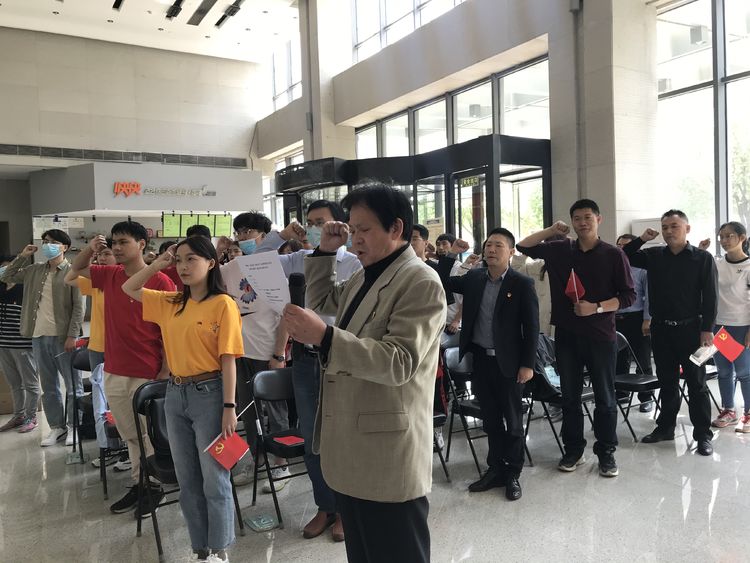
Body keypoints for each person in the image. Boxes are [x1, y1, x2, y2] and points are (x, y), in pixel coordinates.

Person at [283, 184, 445, 563]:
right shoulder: (363, 275)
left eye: (365, 229)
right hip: (353, 450)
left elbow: (399, 361)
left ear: (396, 227)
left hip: (388, 454)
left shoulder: (419, 281)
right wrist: (326, 251)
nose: (355, 239)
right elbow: (321, 300)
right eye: (352, 229)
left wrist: (325, 338)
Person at [123, 236, 243, 563]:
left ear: (211, 263)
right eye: (180, 260)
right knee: (187, 479)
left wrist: (229, 407)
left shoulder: (223, 304)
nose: (184, 266)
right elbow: (129, 288)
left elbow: (229, 359)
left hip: (211, 394)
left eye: (192, 259)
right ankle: (201, 550)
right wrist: (158, 264)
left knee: (214, 477)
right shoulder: (172, 302)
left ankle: (220, 550)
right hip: (175, 395)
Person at [255, 200, 360, 542]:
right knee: (312, 436)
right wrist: (280, 235)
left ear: (340, 226)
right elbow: (254, 263)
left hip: (339, 357)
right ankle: (325, 506)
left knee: (341, 436)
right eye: (310, 222)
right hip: (304, 358)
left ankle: (346, 509)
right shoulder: (297, 258)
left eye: (321, 222)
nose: (315, 228)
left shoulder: (354, 262)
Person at [517, 199, 635, 477]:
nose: (582, 223)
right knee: (569, 397)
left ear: (598, 219)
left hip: (601, 336)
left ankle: (606, 452)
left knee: (605, 397)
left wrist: (597, 307)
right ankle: (573, 450)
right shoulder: (560, 249)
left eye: (587, 217)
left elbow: (629, 295)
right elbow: (523, 246)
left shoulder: (613, 254)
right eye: (577, 218)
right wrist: (551, 230)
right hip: (567, 336)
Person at [69, 221, 175, 515]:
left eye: (123, 242)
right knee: (129, 433)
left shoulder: (161, 281)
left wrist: (165, 370)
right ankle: (140, 483)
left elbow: (169, 330)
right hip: (114, 368)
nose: (116, 248)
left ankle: (154, 487)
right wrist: (90, 248)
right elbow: (76, 269)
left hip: (147, 370)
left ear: (141, 244)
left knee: (148, 435)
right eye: (113, 242)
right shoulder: (110, 274)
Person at [447, 229, 539, 501]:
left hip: (510, 364)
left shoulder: (521, 283)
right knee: (490, 420)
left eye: (498, 245)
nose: (491, 249)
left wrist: (527, 364)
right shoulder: (475, 278)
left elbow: (531, 328)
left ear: (511, 251)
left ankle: (513, 473)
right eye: (488, 245)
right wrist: (454, 256)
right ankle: (495, 469)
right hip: (481, 361)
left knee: (513, 422)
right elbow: (445, 281)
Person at [623, 210, 717, 456]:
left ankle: (703, 435)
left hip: (692, 331)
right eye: (665, 227)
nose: (668, 231)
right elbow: (623, 255)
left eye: (674, 226)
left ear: (687, 228)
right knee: (667, 382)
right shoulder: (653, 255)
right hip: (662, 329)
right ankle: (665, 427)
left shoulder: (702, 258)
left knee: (697, 384)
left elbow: (710, 296)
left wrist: (707, 329)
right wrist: (642, 238)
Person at [0, 230, 85, 447]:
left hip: (63, 337)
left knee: (73, 385)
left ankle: (74, 426)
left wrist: (72, 335)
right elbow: (6, 276)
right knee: (49, 386)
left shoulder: (73, 272)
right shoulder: (34, 270)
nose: (48, 245)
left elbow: (79, 307)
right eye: (45, 242)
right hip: (38, 336)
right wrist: (22, 256)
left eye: (54, 242)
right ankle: (57, 427)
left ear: (65, 247)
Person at [226, 212, 291, 489]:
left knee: (275, 411)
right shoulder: (231, 267)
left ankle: (282, 462)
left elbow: (287, 314)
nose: (243, 237)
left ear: (265, 236)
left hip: (267, 351)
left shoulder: (276, 268)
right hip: (240, 352)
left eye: (249, 232)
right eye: (239, 232)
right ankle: (257, 458)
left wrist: (279, 353)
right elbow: (206, 279)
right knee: (248, 411)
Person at [67, 239, 122, 458]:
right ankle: (108, 446)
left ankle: (126, 447)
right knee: (102, 400)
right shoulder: (98, 281)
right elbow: (70, 277)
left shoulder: (127, 280)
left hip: (122, 348)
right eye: (100, 255)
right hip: (98, 347)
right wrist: (89, 251)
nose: (102, 258)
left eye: (107, 254)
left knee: (120, 399)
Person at [710, 222, 750, 433]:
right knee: (724, 371)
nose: (724, 241)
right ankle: (729, 411)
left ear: (742, 238)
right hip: (720, 326)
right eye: (722, 237)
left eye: (729, 236)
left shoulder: (748, 266)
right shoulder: (716, 264)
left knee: (744, 372)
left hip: (742, 326)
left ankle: (748, 414)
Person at [614, 233, 654, 412]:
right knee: (619, 359)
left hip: (637, 318)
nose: (622, 249)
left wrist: (647, 319)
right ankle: (621, 393)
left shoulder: (642, 269)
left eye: (626, 245)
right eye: (619, 245)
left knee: (642, 359)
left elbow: (649, 297)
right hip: (615, 318)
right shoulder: (612, 267)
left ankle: (646, 397)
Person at [0, 256, 39, 433]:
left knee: (30, 383)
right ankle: (18, 415)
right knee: (14, 383)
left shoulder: (26, 290)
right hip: (4, 344)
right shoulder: (1, 289)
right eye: (3, 267)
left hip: (22, 344)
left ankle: (31, 417)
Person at [411, 224, 464, 334]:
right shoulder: (403, 268)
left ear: (425, 243)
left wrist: (456, 320)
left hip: (433, 324)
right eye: (407, 238)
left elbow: (447, 291)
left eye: (414, 239)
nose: (410, 243)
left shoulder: (436, 268)